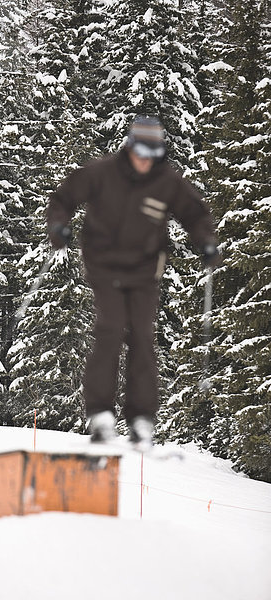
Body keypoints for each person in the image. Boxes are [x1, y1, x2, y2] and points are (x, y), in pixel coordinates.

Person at [47, 115, 221, 448]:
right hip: (104, 266)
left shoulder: (167, 182)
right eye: (139, 149)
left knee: (142, 336)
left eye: (151, 152)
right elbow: (64, 198)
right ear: (129, 146)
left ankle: (141, 418)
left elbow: (195, 214)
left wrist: (207, 242)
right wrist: (59, 227)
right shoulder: (102, 173)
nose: (144, 159)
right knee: (110, 329)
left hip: (144, 271)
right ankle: (100, 413)